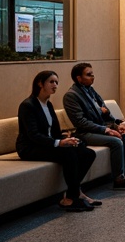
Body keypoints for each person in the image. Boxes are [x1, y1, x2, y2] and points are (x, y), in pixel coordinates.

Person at [64, 63, 125, 189]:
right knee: (116, 142)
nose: (93, 77)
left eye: (92, 74)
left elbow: (106, 112)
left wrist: (118, 124)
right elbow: (81, 122)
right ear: (78, 78)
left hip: (100, 128)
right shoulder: (72, 96)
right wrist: (106, 129)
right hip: (85, 133)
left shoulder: (91, 91)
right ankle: (119, 180)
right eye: (88, 74)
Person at [16, 70, 97, 212]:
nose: (55, 85)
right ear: (40, 83)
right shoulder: (28, 105)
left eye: (57, 82)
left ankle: (74, 193)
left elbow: (54, 132)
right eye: (52, 82)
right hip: (30, 148)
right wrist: (59, 143)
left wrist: (66, 138)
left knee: (88, 152)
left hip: (48, 144)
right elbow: (33, 135)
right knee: (69, 154)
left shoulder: (49, 104)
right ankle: (71, 198)